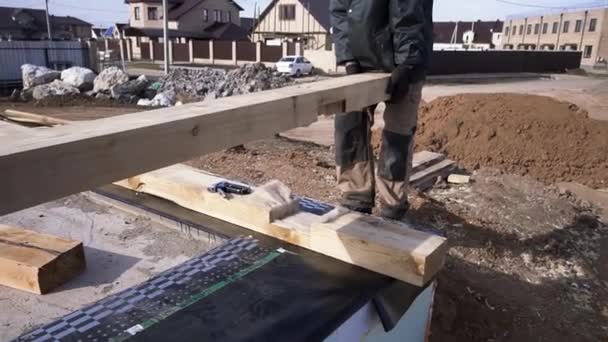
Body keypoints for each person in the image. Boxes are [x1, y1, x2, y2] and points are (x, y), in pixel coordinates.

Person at [330, 0, 434, 220]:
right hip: (361, 61)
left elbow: (409, 11)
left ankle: (392, 208)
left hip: (406, 63)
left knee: (398, 136)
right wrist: (348, 58)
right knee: (349, 128)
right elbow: (338, 11)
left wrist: (407, 63)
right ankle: (355, 198)